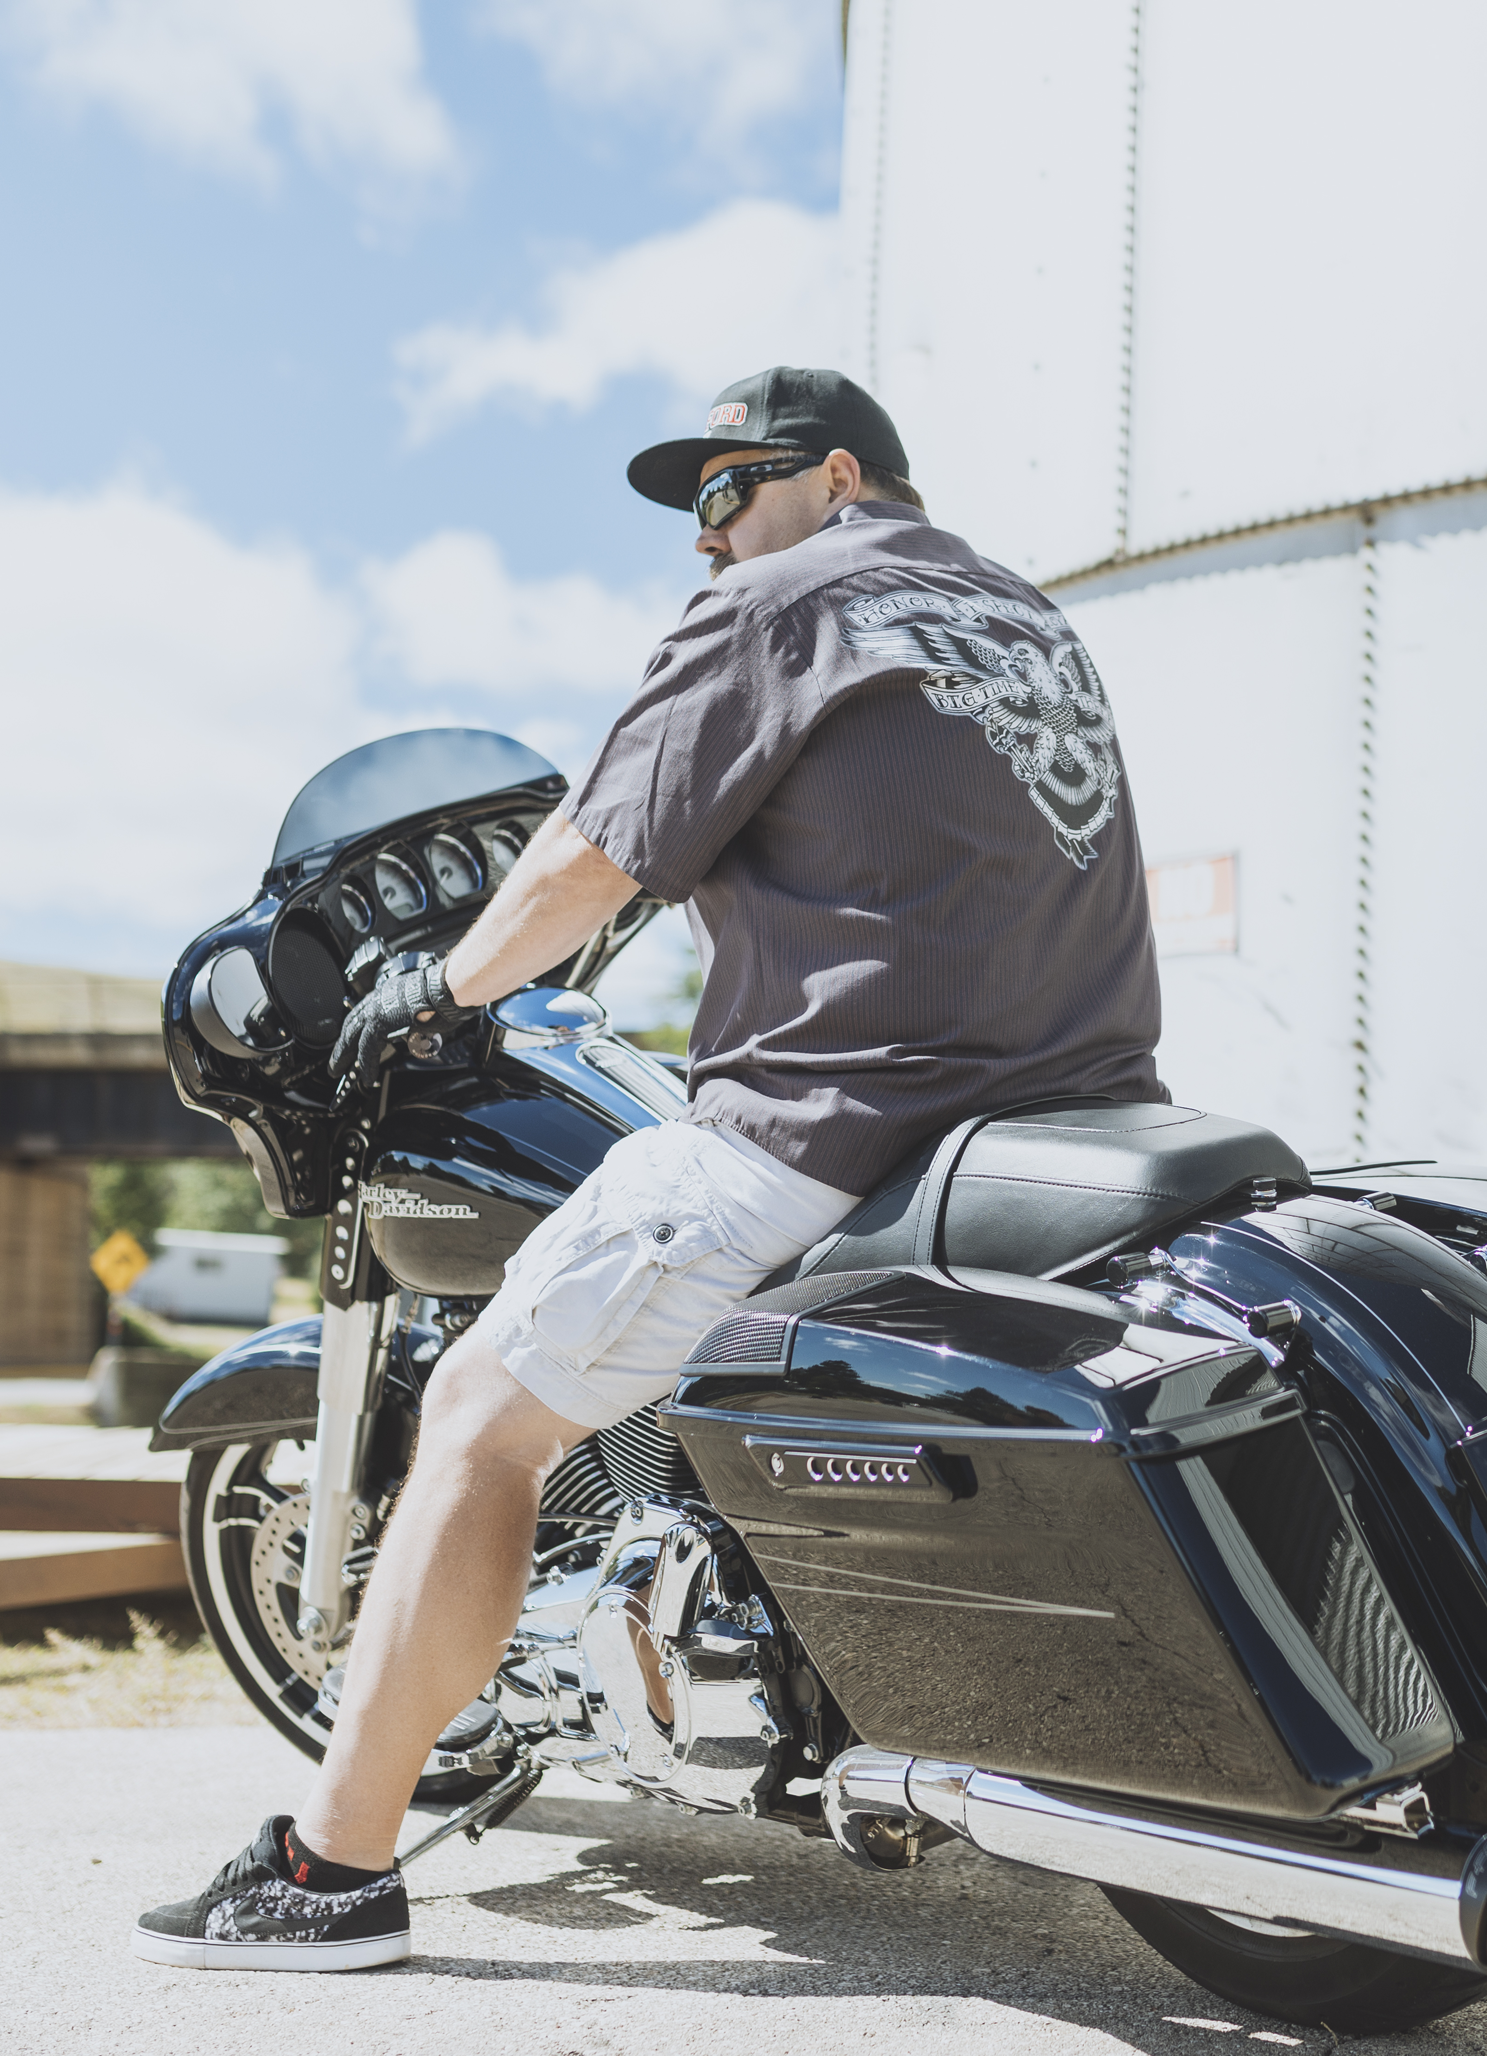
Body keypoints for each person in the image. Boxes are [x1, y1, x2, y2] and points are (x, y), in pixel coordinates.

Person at [132, 366, 1165, 1969]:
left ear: (833, 477)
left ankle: (328, 1873)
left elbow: (588, 855)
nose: (704, 539)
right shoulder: (1021, 616)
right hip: (1069, 1121)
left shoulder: (785, 601)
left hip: (834, 1126)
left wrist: (437, 987)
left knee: (480, 1413)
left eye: (721, 493)